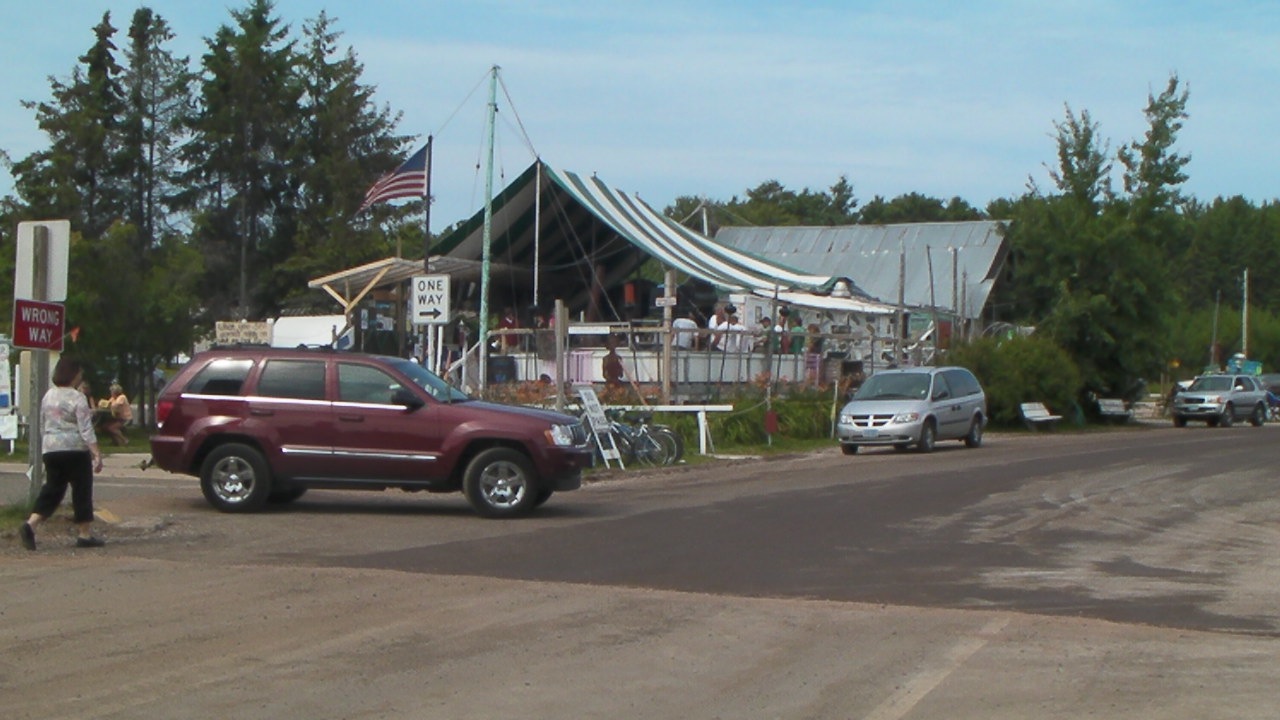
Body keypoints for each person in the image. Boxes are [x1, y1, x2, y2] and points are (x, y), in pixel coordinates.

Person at [20, 357, 106, 550]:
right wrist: (96, 453)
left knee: (53, 488)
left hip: (51, 448)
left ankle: (30, 524)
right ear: (74, 375)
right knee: (81, 489)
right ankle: (84, 534)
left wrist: (46, 444)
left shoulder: (48, 396)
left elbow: (43, 423)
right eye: (80, 374)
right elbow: (85, 429)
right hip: (74, 449)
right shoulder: (77, 397)